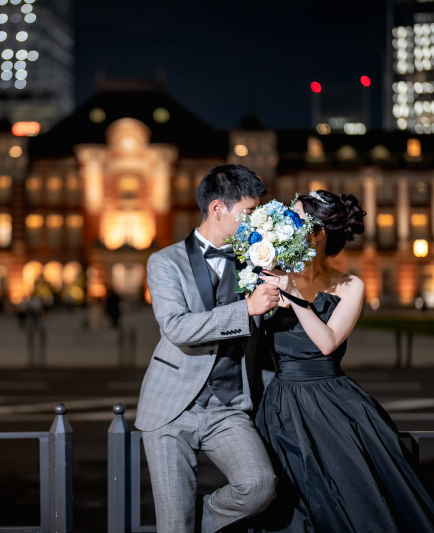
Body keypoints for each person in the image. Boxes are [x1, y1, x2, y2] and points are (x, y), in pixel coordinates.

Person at [252, 190, 434, 532]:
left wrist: (296, 296)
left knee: (354, 492)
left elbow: (327, 343)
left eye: (295, 217)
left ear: (318, 233)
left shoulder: (350, 284)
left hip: (332, 403)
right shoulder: (271, 274)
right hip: (282, 403)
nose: (286, 223)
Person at [136, 164, 280, 533]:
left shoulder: (256, 260)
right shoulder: (164, 262)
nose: (255, 222)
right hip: (171, 407)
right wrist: (246, 308)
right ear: (218, 209)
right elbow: (177, 327)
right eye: (248, 213)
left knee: (259, 486)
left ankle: (196, 519)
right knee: (172, 524)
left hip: (228, 406)